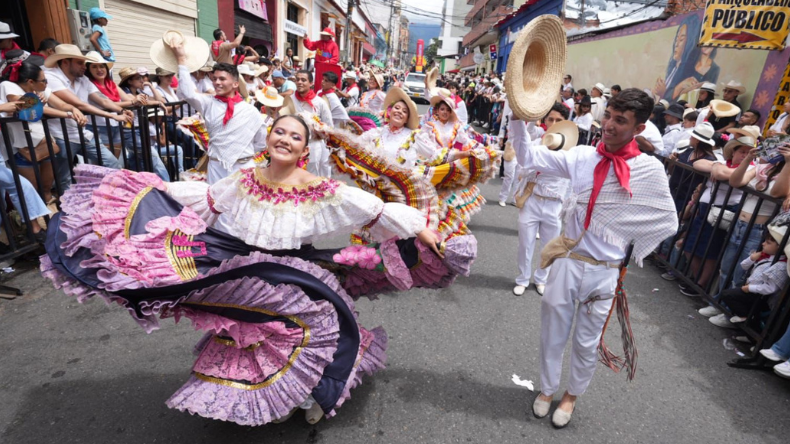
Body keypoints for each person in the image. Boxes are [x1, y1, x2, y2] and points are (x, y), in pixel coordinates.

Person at [41, 114, 455, 427]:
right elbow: (206, 198)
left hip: (293, 272)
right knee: (241, 331)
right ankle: (259, 395)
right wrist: (155, 190)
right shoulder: (244, 178)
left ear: (304, 149)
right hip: (240, 265)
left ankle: (314, 390)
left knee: (323, 326)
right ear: (268, 138)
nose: (286, 139)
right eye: (280, 132)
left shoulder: (322, 188)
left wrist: (423, 228)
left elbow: (375, 209)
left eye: (295, 136)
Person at [514, 88, 677, 428]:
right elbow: (529, 159)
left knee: (587, 341)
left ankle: (571, 396)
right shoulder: (583, 156)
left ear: (639, 128)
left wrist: (624, 233)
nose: (609, 125)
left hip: (605, 271)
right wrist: (517, 117)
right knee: (552, 333)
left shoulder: (649, 170)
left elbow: (666, 219)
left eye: (621, 120)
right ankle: (546, 390)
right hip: (568, 260)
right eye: (608, 116)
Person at [169, 39, 266, 211]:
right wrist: (181, 61)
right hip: (216, 167)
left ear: (235, 84)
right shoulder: (208, 103)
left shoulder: (250, 111)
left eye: (222, 79)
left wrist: (240, 151)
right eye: (214, 79)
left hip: (243, 167)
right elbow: (187, 92)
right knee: (217, 209)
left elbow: (261, 142)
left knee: (244, 210)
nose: (217, 83)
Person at [44, 44, 129, 191]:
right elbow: (78, 104)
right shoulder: (50, 76)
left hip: (83, 133)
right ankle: (67, 208)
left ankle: (109, 197)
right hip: (61, 135)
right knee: (65, 178)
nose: (84, 66)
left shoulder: (83, 79)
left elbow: (102, 100)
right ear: (65, 62)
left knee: (112, 163)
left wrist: (121, 110)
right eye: (80, 62)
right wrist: (113, 115)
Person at [0, 61, 86, 203]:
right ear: (31, 82)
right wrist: (67, 114)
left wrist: (73, 109)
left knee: (46, 188)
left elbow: (62, 104)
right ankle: (39, 222)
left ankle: (50, 220)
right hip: (22, 146)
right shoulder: (8, 86)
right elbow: (25, 106)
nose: (47, 83)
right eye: (44, 80)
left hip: (44, 142)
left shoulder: (41, 90)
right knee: (30, 191)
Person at [511, 103, 572, 297]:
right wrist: (516, 118)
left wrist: (567, 207)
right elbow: (522, 160)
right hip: (532, 201)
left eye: (558, 120)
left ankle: (541, 279)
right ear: (544, 121)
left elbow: (572, 184)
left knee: (549, 247)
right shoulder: (535, 144)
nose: (553, 123)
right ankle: (522, 278)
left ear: (565, 123)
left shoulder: (571, 152)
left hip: (554, 205)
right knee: (525, 243)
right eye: (550, 119)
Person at [710, 231, 788, 329]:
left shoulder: (780, 266)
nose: (763, 243)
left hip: (761, 296)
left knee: (728, 294)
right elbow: (744, 266)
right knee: (729, 295)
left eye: (768, 243)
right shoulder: (764, 256)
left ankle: (746, 318)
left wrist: (750, 288)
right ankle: (745, 320)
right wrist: (751, 258)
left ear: (779, 247)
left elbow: (771, 288)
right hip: (752, 290)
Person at [291, 70, 334, 178]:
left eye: (303, 80)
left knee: (311, 176)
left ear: (311, 83)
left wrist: (316, 128)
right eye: (297, 80)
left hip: (313, 145)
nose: (299, 82)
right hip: (293, 144)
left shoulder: (320, 102)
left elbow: (329, 127)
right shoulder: (289, 100)